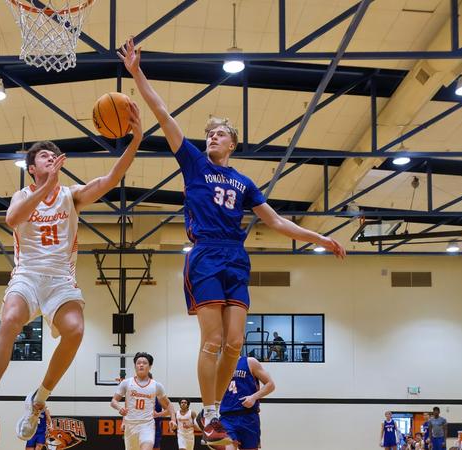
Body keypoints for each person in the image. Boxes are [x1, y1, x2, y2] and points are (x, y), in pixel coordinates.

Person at [118, 37, 345, 446]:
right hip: (205, 252)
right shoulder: (193, 163)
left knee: (236, 343)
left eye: (220, 134)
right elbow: (163, 113)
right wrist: (137, 72)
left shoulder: (243, 181)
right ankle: (209, 411)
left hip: (236, 257)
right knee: (213, 340)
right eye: (209, 133)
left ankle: (214, 411)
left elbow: (276, 221)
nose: (212, 138)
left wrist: (319, 237)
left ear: (232, 143)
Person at [0, 103, 143, 444]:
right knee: (10, 319)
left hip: (60, 279)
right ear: (31, 168)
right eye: (43, 156)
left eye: (53, 155)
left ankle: (39, 399)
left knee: (76, 330)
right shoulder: (22, 195)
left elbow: (111, 179)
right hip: (28, 275)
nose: (50, 158)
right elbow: (12, 220)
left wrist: (136, 140)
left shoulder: (70, 196)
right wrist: (47, 186)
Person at [110, 353, 177, 450]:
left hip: (147, 425)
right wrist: (119, 408)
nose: (141, 365)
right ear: (135, 366)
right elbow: (113, 401)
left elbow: (168, 404)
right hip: (130, 425)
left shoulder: (156, 385)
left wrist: (173, 419)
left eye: (144, 363)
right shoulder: (126, 383)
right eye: (138, 363)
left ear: (150, 367)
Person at [216, 356, 275, 450]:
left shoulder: (250, 362)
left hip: (249, 417)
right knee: (228, 447)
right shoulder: (218, 365)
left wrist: (253, 397)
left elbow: (270, 384)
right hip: (227, 417)